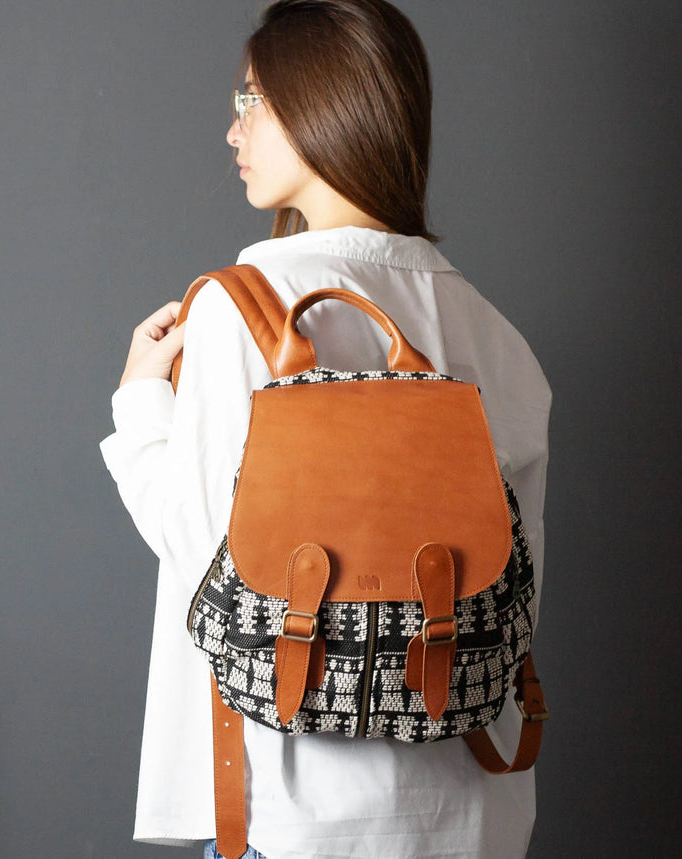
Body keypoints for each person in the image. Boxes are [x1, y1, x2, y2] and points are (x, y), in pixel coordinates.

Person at [100, 1, 551, 857]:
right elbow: (514, 591)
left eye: (252, 101)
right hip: (474, 818)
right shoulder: (496, 334)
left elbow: (207, 557)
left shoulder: (248, 306)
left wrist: (138, 405)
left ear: (324, 101)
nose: (232, 129)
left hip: (299, 817)